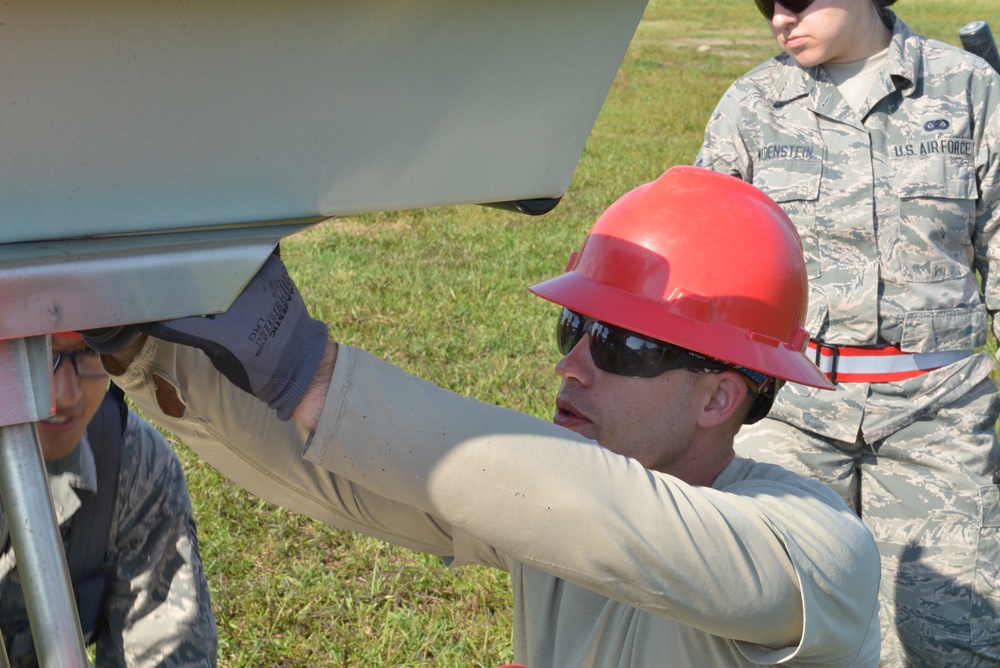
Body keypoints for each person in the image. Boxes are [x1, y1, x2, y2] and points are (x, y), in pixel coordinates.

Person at [92, 167, 881, 666]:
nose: (571, 363)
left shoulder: (816, 557)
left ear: (720, 395)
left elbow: (597, 512)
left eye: (618, 344)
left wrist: (308, 369)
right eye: (574, 328)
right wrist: (152, 357)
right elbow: (337, 477)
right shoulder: (560, 521)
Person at [695, 1, 1000, 666]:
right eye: (763, 2)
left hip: (937, 418)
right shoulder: (753, 102)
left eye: (797, 0)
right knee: (773, 635)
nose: (779, 17)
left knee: (951, 641)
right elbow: (707, 256)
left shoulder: (969, 88)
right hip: (790, 413)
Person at [0, 332, 218, 667]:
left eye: (89, 349)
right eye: (37, 350)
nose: (66, 394)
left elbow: (169, 651)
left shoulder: (129, 464)